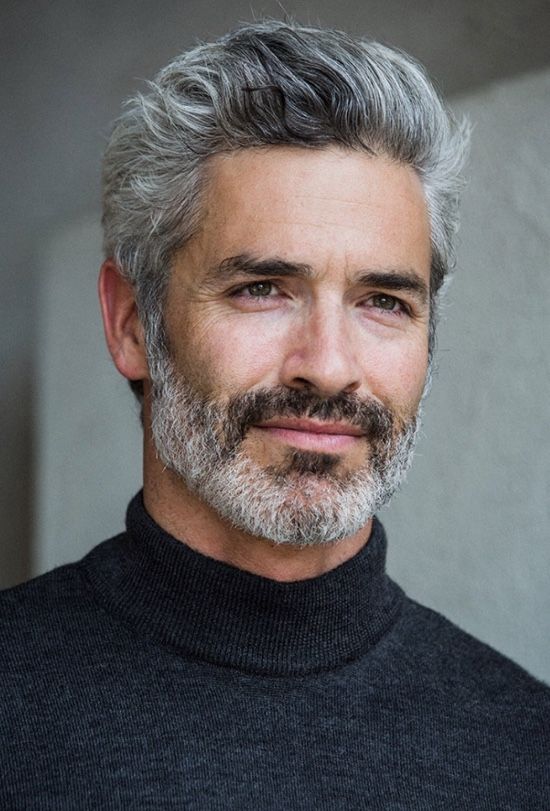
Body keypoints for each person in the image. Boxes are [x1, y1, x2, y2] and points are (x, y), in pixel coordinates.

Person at [1, 20, 548, 809]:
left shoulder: (527, 750)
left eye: (384, 301)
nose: (326, 364)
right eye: (262, 288)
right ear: (130, 323)